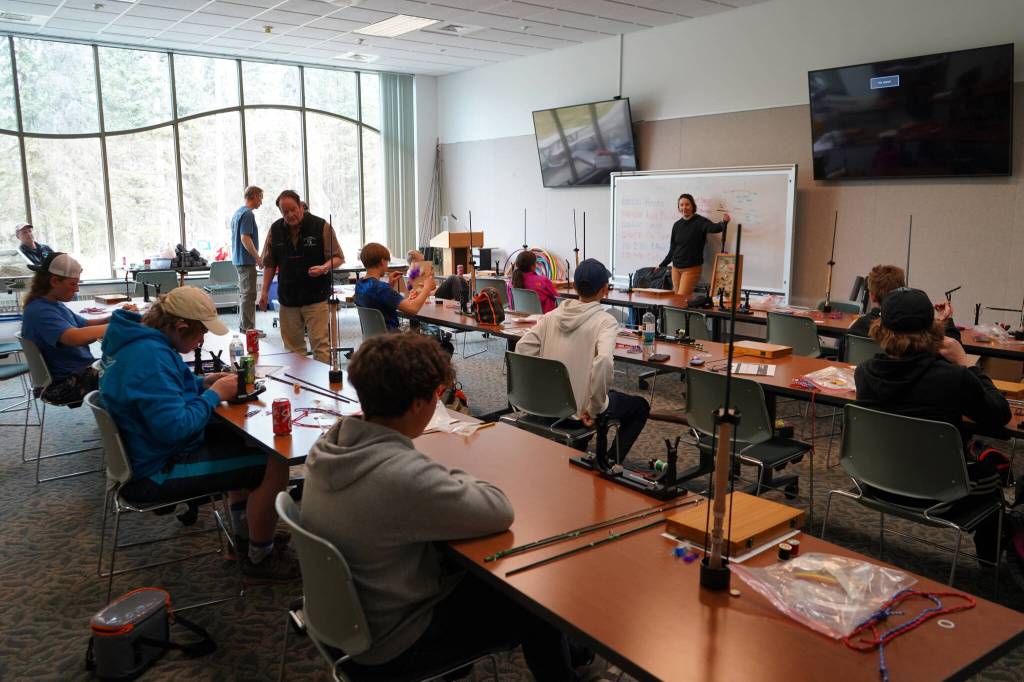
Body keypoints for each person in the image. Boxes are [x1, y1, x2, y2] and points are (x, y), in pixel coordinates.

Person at [302, 332, 577, 679]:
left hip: (342, 620)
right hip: (392, 644)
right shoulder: (402, 478)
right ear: (418, 404)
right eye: (436, 396)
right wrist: (454, 476)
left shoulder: (329, 446)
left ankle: (571, 649)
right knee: (532, 595)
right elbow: (497, 509)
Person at [100, 287, 298, 579]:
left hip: (142, 453)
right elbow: (176, 428)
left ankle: (245, 540)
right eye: (200, 333)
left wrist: (203, 381)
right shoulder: (151, 356)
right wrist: (214, 394)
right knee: (272, 462)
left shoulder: (138, 342)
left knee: (238, 442)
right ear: (180, 328)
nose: (203, 340)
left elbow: (166, 389)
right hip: (154, 472)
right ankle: (260, 555)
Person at [854, 287, 1010, 562]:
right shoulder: (954, 379)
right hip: (941, 494)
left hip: (875, 483)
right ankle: (990, 561)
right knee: (994, 474)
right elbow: (999, 415)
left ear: (881, 327)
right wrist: (966, 362)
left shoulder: (864, 373)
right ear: (931, 330)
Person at [516, 258, 650, 459]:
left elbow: (522, 348)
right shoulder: (605, 321)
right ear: (605, 289)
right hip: (579, 414)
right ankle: (609, 463)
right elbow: (604, 362)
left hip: (544, 406)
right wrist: (594, 409)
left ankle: (577, 451)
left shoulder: (553, 315)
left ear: (575, 287)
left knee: (599, 390)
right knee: (640, 406)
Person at [21, 253, 124, 404]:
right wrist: (117, 326)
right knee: (131, 368)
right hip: (63, 382)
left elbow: (85, 325)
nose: (76, 290)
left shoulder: (52, 304)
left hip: (77, 370)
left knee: (128, 362)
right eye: (73, 284)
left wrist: (114, 317)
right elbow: (74, 337)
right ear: (55, 281)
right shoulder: (40, 311)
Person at [258, 190, 343, 363]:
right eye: (285, 212)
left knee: (320, 346)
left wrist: (324, 268)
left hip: (316, 297)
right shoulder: (275, 230)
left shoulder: (321, 226)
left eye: (293, 209)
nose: (290, 215)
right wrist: (264, 291)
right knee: (292, 350)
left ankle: (323, 387)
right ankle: (297, 388)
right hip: (288, 298)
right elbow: (269, 263)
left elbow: (338, 257)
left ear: (301, 206)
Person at [846, 264, 960, 342]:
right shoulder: (913, 328)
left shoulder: (857, 328)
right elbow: (951, 348)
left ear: (872, 296)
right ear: (902, 289)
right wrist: (947, 320)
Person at [655, 194, 730, 300]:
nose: (684, 207)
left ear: (692, 206)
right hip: (675, 268)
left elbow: (715, 228)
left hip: (691, 269)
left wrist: (724, 222)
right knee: (676, 298)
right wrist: (662, 264)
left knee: (681, 299)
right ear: (679, 207)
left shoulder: (700, 222)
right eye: (681, 205)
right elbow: (672, 249)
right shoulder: (677, 225)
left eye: (687, 204)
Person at [354, 242, 435, 330]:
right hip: (392, 340)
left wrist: (390, 286)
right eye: (387, 262)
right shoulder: (382, 289)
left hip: (373, 339)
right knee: (442, 343)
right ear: (382, 261)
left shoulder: (359, 285)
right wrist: (427, 289)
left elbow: (378, 302)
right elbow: (413, 309)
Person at [231, 185, 263, 332]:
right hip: (246, 261)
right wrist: (258, 257)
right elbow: (245, 238)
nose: (261, 202)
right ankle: (248, 330)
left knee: (245, 295)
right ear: (254, 195)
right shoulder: (248, 214)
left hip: (239, 260)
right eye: (260, 197)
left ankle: (245, 328)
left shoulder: (238, 213)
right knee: (249, 296)